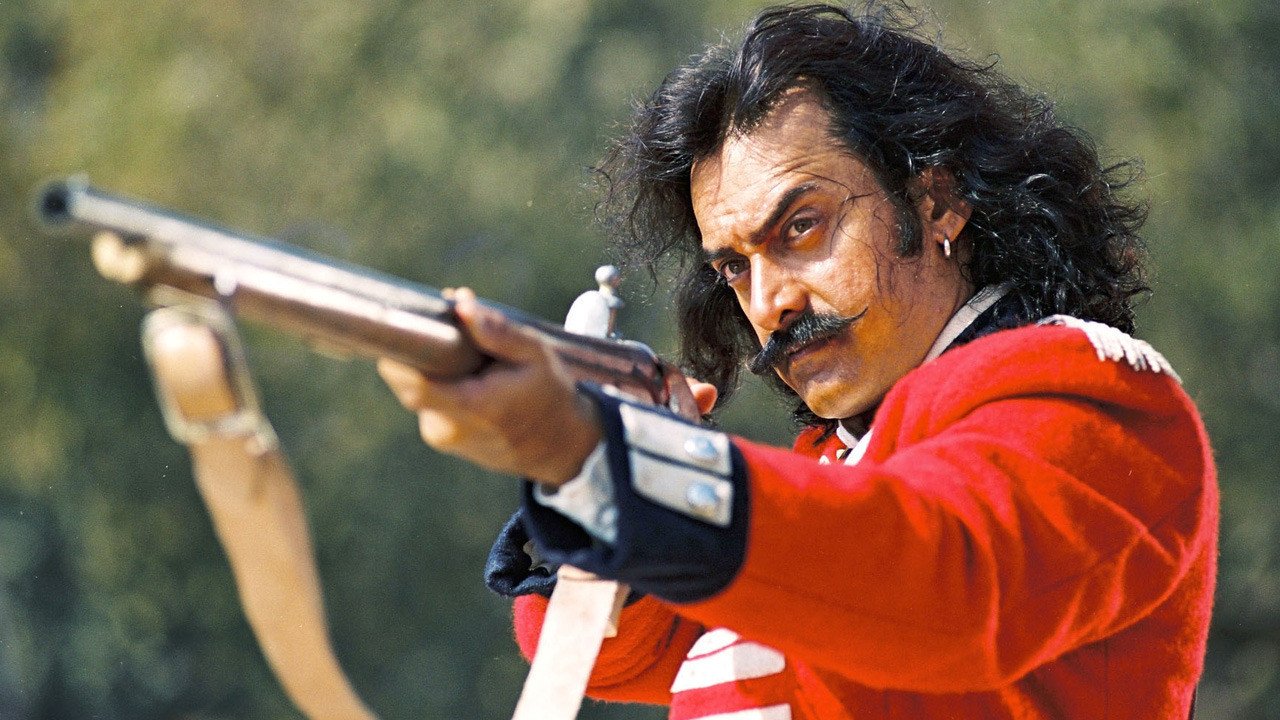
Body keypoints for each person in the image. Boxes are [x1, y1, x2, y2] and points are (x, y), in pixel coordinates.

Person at [377, 3, 1218, 718]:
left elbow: (940, 582)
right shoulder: (840, 473)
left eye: (802, 227)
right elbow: (618, 651)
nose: (768, 302)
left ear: (937, 202)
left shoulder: (1094, 392)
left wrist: (605, 455)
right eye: (734, 268)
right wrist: (606, 468)